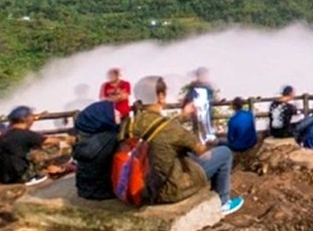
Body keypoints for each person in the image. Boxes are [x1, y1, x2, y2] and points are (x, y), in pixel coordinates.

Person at [127, 76, 243, 215]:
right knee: (224, 153)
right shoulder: (170, 129)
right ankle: (223, 202)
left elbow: (158, 130)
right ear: (161, 96)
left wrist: (182, 116)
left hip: (139, 188)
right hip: (167, 191)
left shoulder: (129, 124)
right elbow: (200, 149)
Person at [0, 106, 64, 185]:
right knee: (51, 147)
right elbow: (52, 141)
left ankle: (48, 168)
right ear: (25, 119)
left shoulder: (4, 135)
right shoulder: (25, 134)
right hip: (21, 176)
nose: (33, 118)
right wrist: (64, 139)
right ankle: (40, 172)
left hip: (3, 178)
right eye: (31, 116)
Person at [72, 100, 120, 200]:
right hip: (105, 191)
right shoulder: (110, 138)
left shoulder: (84, 140)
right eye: (114, 111)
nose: (118, 113)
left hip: (84, 189)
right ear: (102, 119)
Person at [182, 67, 217, 144]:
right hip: (197, 112)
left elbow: (213, 97)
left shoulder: (208, 87)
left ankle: (208, 142)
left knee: (207, 126)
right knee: (198, 129)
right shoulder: (193, 87)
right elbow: (189, 98)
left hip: (207, 112)